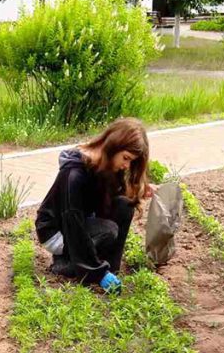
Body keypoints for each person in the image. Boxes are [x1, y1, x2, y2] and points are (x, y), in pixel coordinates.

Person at [34, 117, 155, 293]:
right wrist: (97, 274)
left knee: (124, 206)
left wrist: (137, 190)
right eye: (126, 158)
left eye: (131, 162)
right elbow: (73, 223)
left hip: (80, 221)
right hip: (56, 231)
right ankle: (66, 265)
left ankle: (110, 268)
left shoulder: (103, 163)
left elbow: (104, 196)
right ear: (113, 146)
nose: (126, 165)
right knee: (108, 230)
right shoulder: (73, 174)